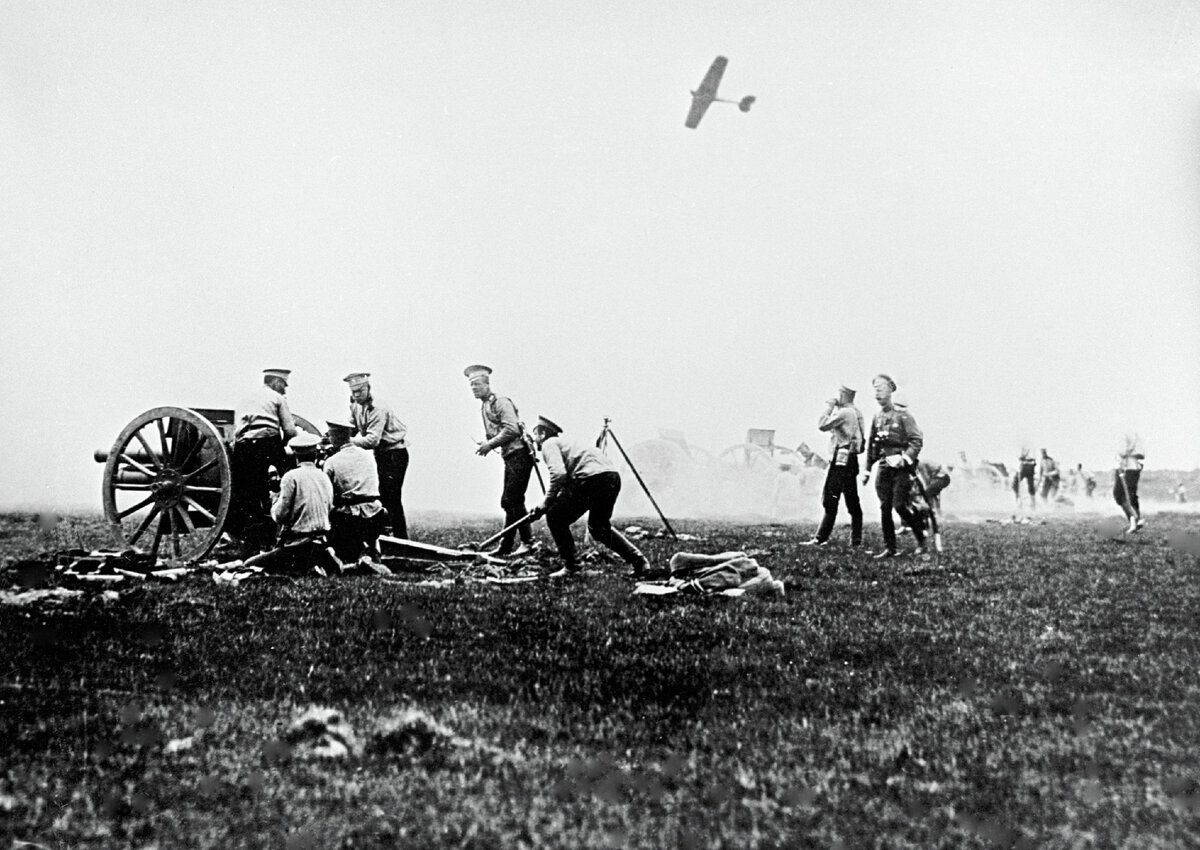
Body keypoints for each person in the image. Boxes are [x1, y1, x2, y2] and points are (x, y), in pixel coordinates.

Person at [530, 416, 649, 579]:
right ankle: (639, 561)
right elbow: (567, 481)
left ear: (542, 434)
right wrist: (550, 501)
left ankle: (572, 568)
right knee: (599, 528)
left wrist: (546, 503)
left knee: (555, 517)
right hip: (611, 478)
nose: (534, 439)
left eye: (535, 435)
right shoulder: (569, 445)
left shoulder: (549, 444)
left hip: (591, 481)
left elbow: (558, 474)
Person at [465, 364, 537, 557]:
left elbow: (512, 429)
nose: (474, 388)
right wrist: (489, 442)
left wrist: (489, 444)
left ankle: (528, 542)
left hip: (520, 454)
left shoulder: (501, 402)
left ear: (487, 384)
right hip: (511, 455)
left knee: (511, 500)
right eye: (471, 385)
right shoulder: (485, 406)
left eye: (477, 384)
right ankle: (506, 546)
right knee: (511, 501)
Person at [243, 433, 339, 575]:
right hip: (321, 541)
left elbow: (279, 516)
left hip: (299, 545)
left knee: (249, 564)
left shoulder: (291, 477)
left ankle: (305, 568)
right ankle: (322, 561)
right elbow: (329, 507)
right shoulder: (324, 476)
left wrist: (274, 499)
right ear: (315, 454)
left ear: (295, 454)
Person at [230, 368, 300, 553]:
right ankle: (276, 535)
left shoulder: (245, 400)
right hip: (267, 444)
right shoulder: (278, 399)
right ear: (276, 382)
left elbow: (237, 430)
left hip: (243, 448)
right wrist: (285, 448)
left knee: (249, 495)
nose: (285, 389)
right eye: (284, 384)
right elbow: (291, 431)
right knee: (283, 485)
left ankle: (251, 543)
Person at [863, 374, 926, 558]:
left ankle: (921, 536)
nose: (878, 394)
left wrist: (905, 458)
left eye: (881, 389)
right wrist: (867, 469)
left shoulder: (903, 415)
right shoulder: (877, 417)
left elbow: (916, 440)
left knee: (900, 506)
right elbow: (872, 445)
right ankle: (890, 548)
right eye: (875, 390)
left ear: (891, 391)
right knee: (884, 508)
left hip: (903, 469)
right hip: (884, 467)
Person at [344, 372, 410, 539]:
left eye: (359, 391)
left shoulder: (377, 407)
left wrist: (346, 442)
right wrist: (334, 434)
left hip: (395, 453)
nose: (356, 395)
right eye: (353, 392)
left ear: (367, 388)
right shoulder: (356, 405)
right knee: (382, 495)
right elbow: (351, 426)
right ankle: (386, 536)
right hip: (382, 455)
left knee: (391, 498)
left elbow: (372, 440)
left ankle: (401, 540)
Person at [801, 384, 864, 547]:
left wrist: (829, 406)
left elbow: (822, 425)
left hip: (841, 457)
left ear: (843, 395)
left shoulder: (844, 413)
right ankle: (856, 540)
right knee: (852, 501)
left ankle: (821, 538)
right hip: (851, 459)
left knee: (830, 499)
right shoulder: (857, 413)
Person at [323, 418, 386, 565]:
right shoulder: (368, 456)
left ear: (334, 437)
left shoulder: (332, 461)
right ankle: (369, 550)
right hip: (375, 515)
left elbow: (326, 494)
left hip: (350, 520)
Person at [1114, 432, 1145, 533]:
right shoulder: (1136, 434)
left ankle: (1134, 520)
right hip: (1134, 467)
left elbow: (1122, 452)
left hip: (1125, 468)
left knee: (1119, 495)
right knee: (1131, 495)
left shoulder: (1125, 432)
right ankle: (1136, 520)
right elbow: (1141, 454)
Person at [1013, 447, 1037, 514]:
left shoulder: (1026, 446)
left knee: (1015, 484)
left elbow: (1021, 457)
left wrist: (1022, 456)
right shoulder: (1031, 446)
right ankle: (1032, 506)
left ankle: (1020, 504)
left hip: (1025, 466)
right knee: (1030, 487)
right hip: (1029, 466)